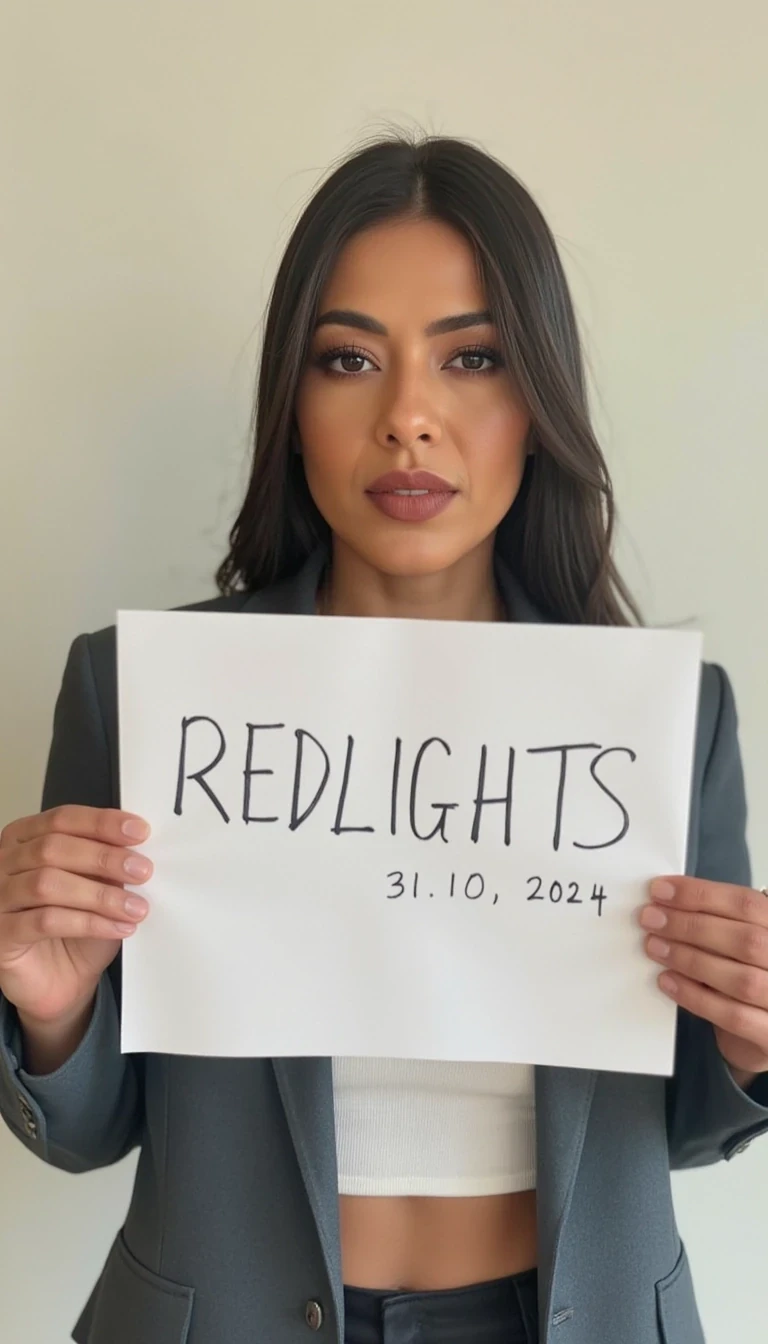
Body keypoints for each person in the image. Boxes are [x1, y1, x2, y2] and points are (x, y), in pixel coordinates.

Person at [1, 132, 767, 1344]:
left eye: (473, 359)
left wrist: (747, 1041)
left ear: (540, 402)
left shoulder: (662, 721)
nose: (410, 418)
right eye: (349, 358)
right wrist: (51, 1011)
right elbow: (91, 1126)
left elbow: (685, 1128)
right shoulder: (144, 692)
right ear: (293, 403)